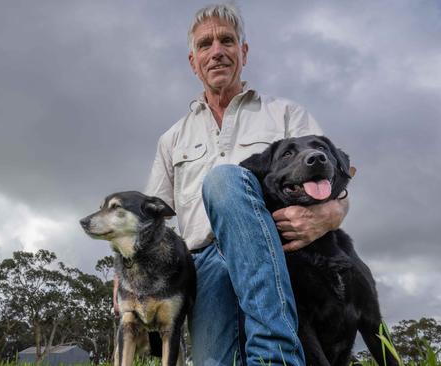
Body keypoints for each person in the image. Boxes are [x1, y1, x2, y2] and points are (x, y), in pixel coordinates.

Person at [140, 4, 350, 366]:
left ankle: (276, 356)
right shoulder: (171, 139)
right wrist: (129, 275)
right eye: (206, 45)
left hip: (277, 251)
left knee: (223, 179)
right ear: (193, 61)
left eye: (227, 41)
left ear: (244, 51)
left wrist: (331, 214)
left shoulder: (286, 113)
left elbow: (333, 180)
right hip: (204, 264)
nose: (217, 51)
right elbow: (150, 221)